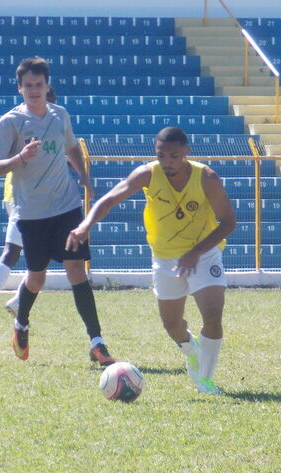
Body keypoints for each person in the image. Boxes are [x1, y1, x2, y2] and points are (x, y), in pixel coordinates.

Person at [66, 127, 236, 394]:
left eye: (173, 156)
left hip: (203, 254)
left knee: (213, 315)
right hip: (165, 258)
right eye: (161, 156)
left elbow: (228, 223)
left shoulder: (207, 178)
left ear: (186, 154)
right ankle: (191, 350)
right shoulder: (148, 173)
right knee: (172, 324)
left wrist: (196, 252)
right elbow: (110, 199)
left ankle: (205, 379)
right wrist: (85, 225)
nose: (167, 162)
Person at [0, 56, 115, 365]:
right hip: (31, 214)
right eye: (28, 85)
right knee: (37, 278)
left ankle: (97, 342)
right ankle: (21, 323)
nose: (34, 90)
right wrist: (20, 158)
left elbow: (71, 145)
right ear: (19, 88)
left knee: (76, 271)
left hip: (67, 207)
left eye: (39, 85)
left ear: (47, 86)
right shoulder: (10, 122)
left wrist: (82, 175)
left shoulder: (60, 115)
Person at [0, 87, 59, 337]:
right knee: (14, 251)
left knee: (35, 250)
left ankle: (15, 301)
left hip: (26, 198)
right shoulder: (33, 127)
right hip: (25, 198)